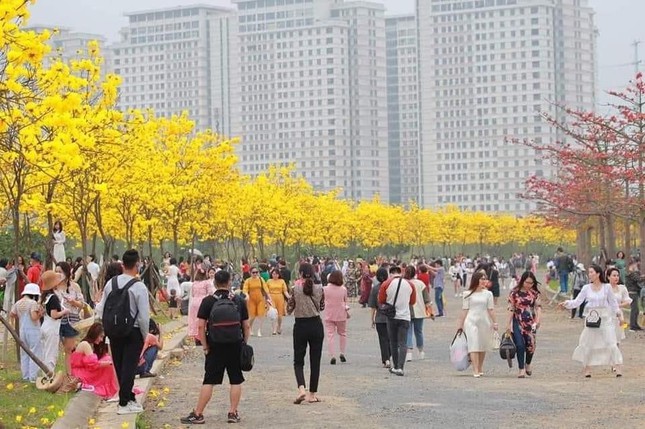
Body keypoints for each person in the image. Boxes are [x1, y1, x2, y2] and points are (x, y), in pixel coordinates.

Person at [181, 270, 250, 425]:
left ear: (214, 283)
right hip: (235, 345)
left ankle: (198, 414)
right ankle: (233, 413)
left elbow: (200, 327)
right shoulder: (238, 300)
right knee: (235, 379)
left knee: (209, 380)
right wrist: (243, 343)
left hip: (215, 345)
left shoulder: (208, 301)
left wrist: (205, 346)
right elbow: (246, 326)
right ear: (230, 282)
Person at [96, 249, 150, 415]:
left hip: (113, 330)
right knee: (129, 366)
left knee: (119, 365)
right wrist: (144, 334)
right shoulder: (139, 286)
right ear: (137, 264)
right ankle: (124, 402)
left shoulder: (110, 283)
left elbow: (101, 308)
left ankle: (129, 397)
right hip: (132, 332)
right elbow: (143, 316)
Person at [558, 264, 624, 377]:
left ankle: (617, 367)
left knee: (611, 342)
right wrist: (566, 304)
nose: (589, 274)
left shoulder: (607, 287)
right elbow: (577, 302)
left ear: (598, 274)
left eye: (591, 272)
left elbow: (613, 304)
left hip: (605, 318)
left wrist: (619, 316)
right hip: (592, 318)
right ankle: (587, 368)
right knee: (588, 343)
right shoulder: (586, 288)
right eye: (589, 272)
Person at [287, 262, 325, 404]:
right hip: (316, 325)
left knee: (298, 360)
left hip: (300, 325)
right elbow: (321, 306)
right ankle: (312, 394)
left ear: (300, 274)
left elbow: (289, 309)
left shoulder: (295, 289)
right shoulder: (320, 289)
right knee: (315, 361)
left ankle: (301, 389)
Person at [457, 270, 498, 378]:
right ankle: (475, 369)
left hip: (484, 321)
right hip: (471, 321)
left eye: (485, 279)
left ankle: (480, 367)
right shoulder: (467, 294)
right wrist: (460, 325)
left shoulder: (488, 294)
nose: (484, 281)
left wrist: (495, 322)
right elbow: (464, 310)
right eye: (482, 279)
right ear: (476, 280)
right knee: (474, 344)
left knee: (482, 345)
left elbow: (491, 309)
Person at [377, 265, 416, 376]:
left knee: (393, 342)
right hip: (405, 316)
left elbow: (381, 300)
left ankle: (396, 366)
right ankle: (401, 367)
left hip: (392, 317)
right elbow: (412, 302)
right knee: (403, 343)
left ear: (391, 273)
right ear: (401, 272)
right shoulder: (410, 284)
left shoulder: (386, 284)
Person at [506, 271, 542, 378]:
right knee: (520, 345)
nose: (529, 285)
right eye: (527, 282)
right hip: (518, 320)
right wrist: (508, 324)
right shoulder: (514, 293)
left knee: (531, 345)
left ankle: (528, 364)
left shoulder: (534, 293)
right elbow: (511, 308)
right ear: (522, 280)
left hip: (531, 321)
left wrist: (538, 320)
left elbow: (538, 307)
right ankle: (521, 368)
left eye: (531, 283)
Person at [71, 322, 118, 399]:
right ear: (95, 334)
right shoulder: (85, 344)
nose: (101, 340)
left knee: (107, 359)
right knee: (108, 362)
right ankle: (110, 388)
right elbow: (94, 365)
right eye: (100, 337)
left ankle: (112, 387)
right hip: (80, 373)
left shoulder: (91, 345)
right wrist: (110, 363)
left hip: (85, 370)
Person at [9, 283, 43, 382]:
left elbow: (12, 314)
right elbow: (34, 317)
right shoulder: (33, 303)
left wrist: (18, 320)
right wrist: (40, 314)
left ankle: (25, 376)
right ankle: (33, 377)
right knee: (34, 353)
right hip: (33, 330)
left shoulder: (18, 303)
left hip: (22, 330)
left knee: (24, 353)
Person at [40, 271, 71, 372]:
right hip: (51, 328)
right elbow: (54, 315)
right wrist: (64, 312)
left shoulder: (46, 297)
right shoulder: (53, 298)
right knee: (51, 353)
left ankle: (46, 374)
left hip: (45, 325)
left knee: (45, 351)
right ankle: (49, 375)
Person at [56, 261, 84, 374]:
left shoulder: (74, 287)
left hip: (71, 320)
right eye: (56, 271)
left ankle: (69, 374)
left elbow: (82, 304)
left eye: (60, 272)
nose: (58, 274)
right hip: (57, 320)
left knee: (68, 349)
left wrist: (73, 302)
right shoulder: (53, 286)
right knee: (54, 348)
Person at [404, 265, 433, 362]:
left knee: (408, 331)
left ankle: (409, 353)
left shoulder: (404, 283)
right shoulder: (421, 284)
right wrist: (431, 312)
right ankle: (421, 351)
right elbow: (427, 300)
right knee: (419, 331)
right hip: (420, 311)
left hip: (407, 311)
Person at [323, 270, 348, 365]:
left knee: (330, 335)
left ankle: (332, 355)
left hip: (329, 314)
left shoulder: (325, 289)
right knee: (342, 333)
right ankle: (342, 352)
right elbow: (345, 301)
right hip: (341, 314)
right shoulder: (343, 289)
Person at [368, 267, 391, 368]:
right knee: (391, 338)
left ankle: (386, 359)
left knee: (383, 339)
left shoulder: (375, 289)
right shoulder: (391, 287)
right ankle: (389, 355)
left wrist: (372, 319)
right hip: (391, 317)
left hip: (380, 318)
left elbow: (373, 306)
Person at [242, 268, 272, 337]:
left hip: (260, 299)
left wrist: (269, 298)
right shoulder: (248, 280)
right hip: (251, 299)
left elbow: (266, 289)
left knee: (261, 315)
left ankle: (259, 330)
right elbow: (245, 289)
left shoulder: (261, 279)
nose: (255, 274)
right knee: (252, 316)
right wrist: (246, 295)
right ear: (250, 273)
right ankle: (250, 329)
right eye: (253, 272)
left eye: (256, 272)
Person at [606, 267, 631, 347]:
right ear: (608, 277)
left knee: (617, 338)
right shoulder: (604, 288)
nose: (616, 277)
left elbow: (627, 301)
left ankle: (615, 356)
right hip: (606, 315)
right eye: (614, 275)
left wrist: (618, 305)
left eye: (617, 275)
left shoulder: (622, 288)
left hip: (618, 316)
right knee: (607, 338)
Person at [188, 269, 215, 344]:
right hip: (203, 302)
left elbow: (193, 294)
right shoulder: (207, 282)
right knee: (204, 319)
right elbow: (210, 293)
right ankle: (204, 336)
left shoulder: (194, 283)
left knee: (195, 320)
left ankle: (197, 338)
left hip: (194, 303)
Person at [266, 268, 289, 335]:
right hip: (271, 297)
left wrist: (288, 297)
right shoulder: (269, 281)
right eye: (273, 274)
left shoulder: (282, 281)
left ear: (278, 275)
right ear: (271, 274)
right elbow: (266, 291)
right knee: (273, 313)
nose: (275, 275)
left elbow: (285, 291)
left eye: (276, 274)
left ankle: (279, 326)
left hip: (280, 297)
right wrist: (267, 299)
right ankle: (274, 330)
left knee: (280, 315)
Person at [625, 260, 643, 331]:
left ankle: (635, 324)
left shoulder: (633, 273)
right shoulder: (631, 273)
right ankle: (632, 326)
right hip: (632, 293)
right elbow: (638, 279)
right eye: (635, 265)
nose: (636, 267)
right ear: (631, 265)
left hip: (635, 292)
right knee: (634, 310)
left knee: (636, 310)